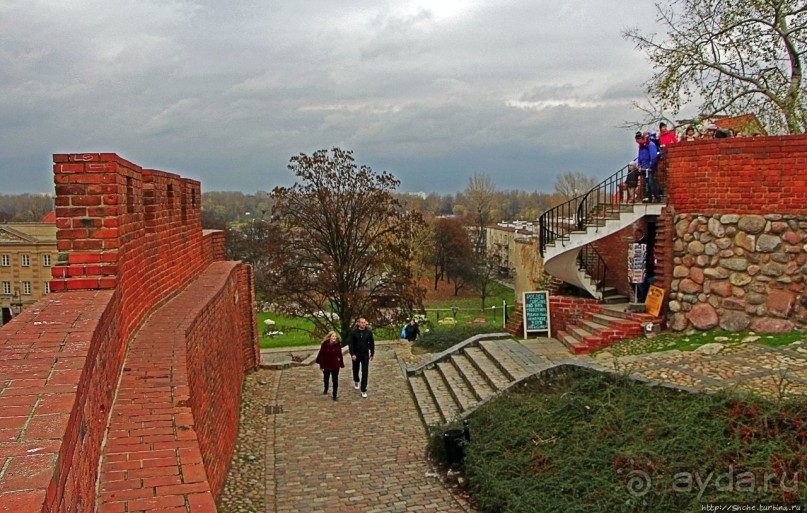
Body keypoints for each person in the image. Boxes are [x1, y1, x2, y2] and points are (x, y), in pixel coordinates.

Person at [347, 318, 375, 398]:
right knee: (355, 369)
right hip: (356, 354)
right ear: (358, 323)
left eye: (364, 323)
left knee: (365, 371)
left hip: (365, 354)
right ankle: (356, 380)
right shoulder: (353, 333)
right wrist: (352, 354)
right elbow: (350, 344)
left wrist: (372, 353)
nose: (363, 324)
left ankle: (363, 389)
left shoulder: (368, 332)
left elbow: (371, 343)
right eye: (362, 323)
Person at [316, 331, 344, 401]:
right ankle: (326, 388)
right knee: (326, 378)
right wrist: (321, 366)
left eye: (335, 336)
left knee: (335, 380)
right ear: (330, 337)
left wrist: (341, 363)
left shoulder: (338, 345)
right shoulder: (325, 344)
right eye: (333, 336)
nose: (334, 338)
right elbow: (321, 356)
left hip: (335, 365)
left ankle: (334, 394)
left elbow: (340, 355)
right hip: (326, 365)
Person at [635, 131, 660, 203]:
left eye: (637, 140)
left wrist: (651, 165)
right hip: (644, 167)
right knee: (646, 183)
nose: (637, 142)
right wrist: (639, 165)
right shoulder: (641, 146)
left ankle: (656, 197)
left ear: (641, 138)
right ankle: (648, 197)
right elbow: (639, 156)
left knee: (651, 181)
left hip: (650, 167)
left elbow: (653, 156)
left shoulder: (650, 144)